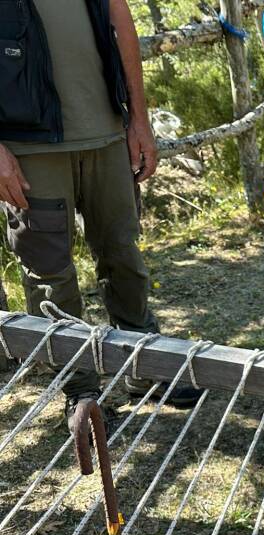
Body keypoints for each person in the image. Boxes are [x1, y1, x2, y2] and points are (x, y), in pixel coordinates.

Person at [0, 0, 200, 425]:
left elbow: (119, 19)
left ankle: (146, 367)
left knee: (123, 254)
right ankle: (80, 391)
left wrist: (139, 119)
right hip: (27, 144)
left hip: (107, 130)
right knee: (50, 275)